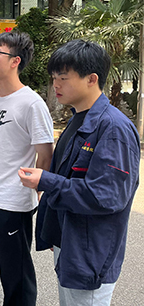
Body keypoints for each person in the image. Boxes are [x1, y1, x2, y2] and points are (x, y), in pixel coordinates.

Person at [19, 40, 140, 306]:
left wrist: (46, 181)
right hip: (71, 242)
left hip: (91, 254)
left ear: (91, 79)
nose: (55, 85)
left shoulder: (113, 128)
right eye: (54, 78)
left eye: (63, 78)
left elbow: (106, 196)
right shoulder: (78, 119)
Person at [0, 32, 54, 306]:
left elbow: (45, 156)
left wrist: (34, 191)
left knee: (16, 275)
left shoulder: (32, 103)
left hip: (13, 203)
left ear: (16, 61)